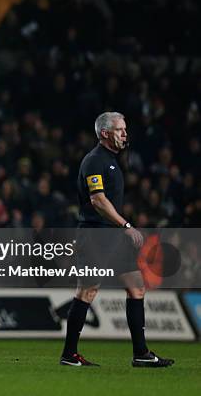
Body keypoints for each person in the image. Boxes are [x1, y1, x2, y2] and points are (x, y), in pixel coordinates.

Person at [60, 112, 174, 367]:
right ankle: (69, 354)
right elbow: (97, 200)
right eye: (120, 129)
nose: (125, 134)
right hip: (95, 235)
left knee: (137, 287)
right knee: (87, 291)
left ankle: (141, 354)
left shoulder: (111, 161)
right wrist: (126, 224)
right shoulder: (94, 161)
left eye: (125, 129)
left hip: (112, 236)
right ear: (105, 134)